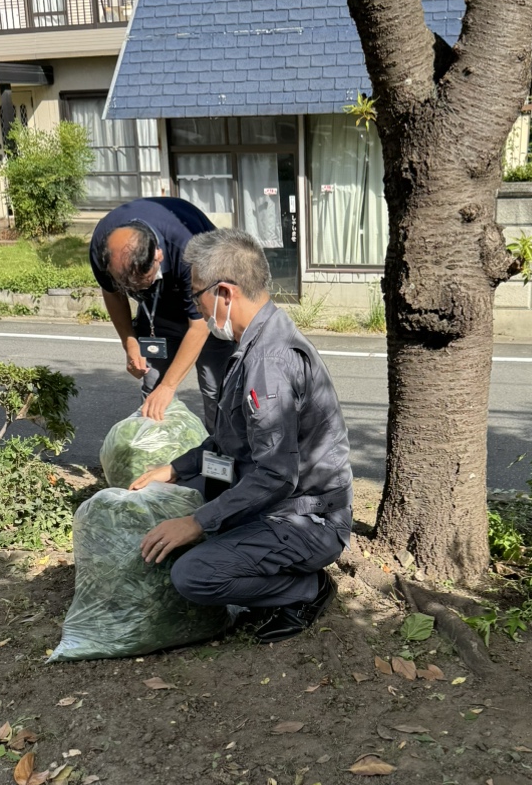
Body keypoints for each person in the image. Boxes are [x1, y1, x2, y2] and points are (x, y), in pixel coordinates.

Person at [129, 228, 352, 644]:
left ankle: (306, 589)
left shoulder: (269, 361)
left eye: (198, 296)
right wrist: (175, 470)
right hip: (281, 498)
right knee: (185, 501)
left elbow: (275, 476)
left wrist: (197, 523)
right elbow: (229, 440)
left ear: (225, 293)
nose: (196, 307)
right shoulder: (255, 339)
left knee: (192, 575)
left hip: (307, 518)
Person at [88, 196, 235, 430]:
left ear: (158, 255)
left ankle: (223, 458)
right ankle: (158, 457)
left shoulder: (190, 250)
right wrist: (130, 341)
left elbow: (199, 327)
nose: (134, 292)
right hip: (157, 312)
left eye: (143, 283)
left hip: (207, 304)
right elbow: (112, 293)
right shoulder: (103, 248)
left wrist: (169, 387)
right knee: (153, 390)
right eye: (129, 288)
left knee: (216, 390)